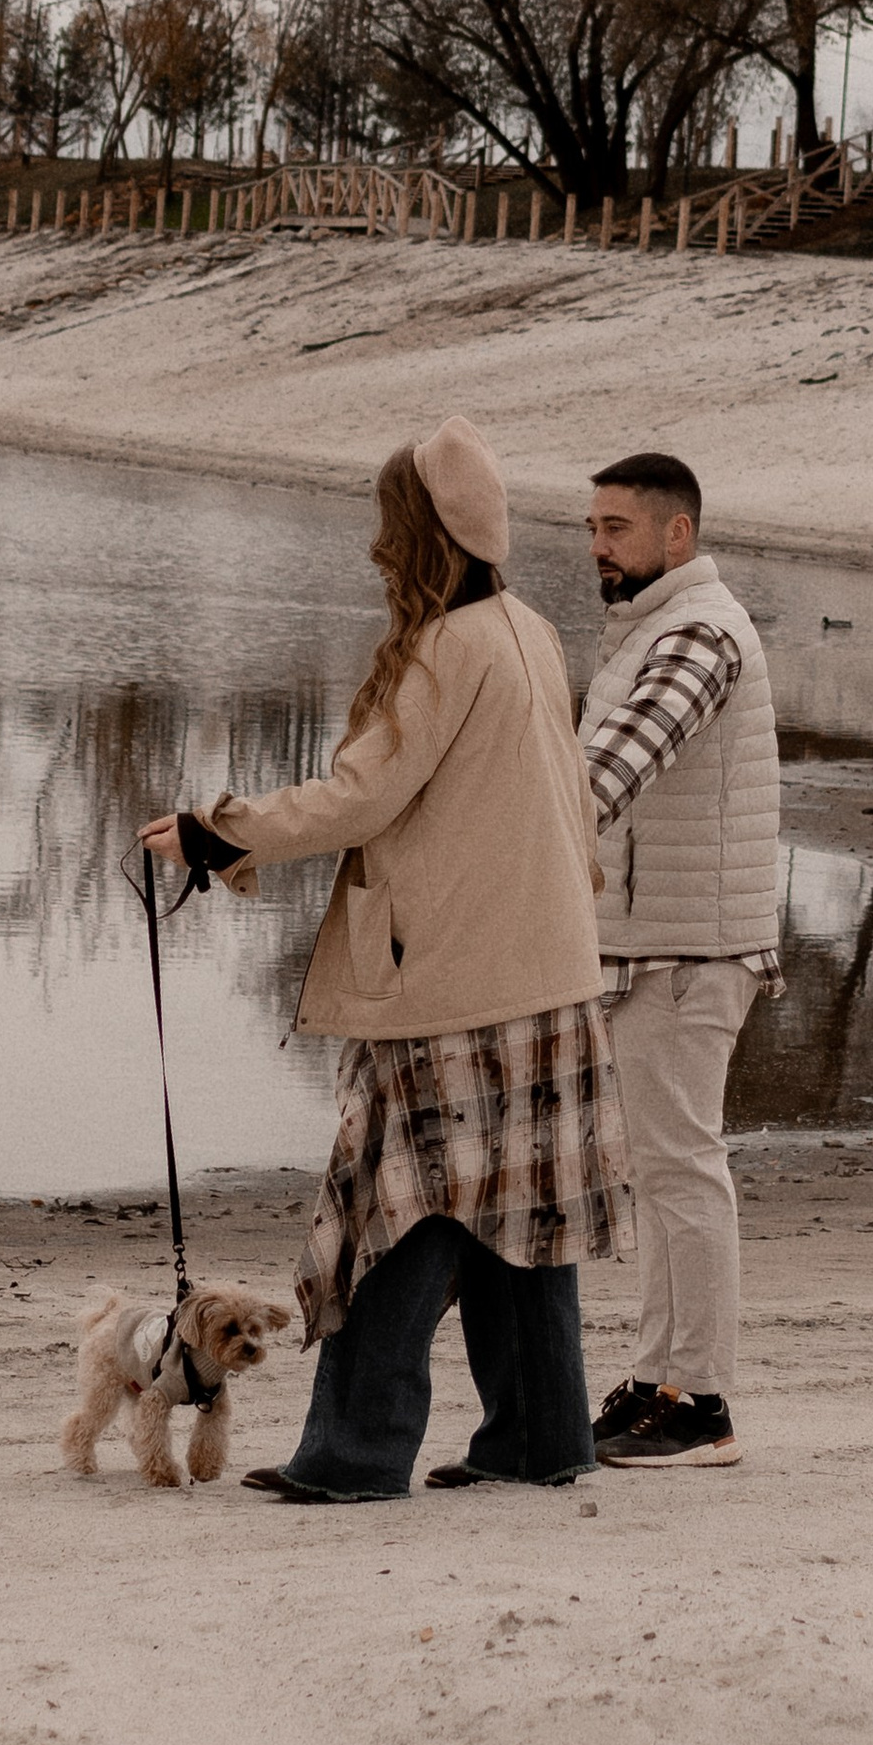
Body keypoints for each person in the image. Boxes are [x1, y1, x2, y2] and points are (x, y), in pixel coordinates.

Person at [139, 413, 629, 1504]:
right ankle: (540, 1439)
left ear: (423, 533)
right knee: (520, 1215)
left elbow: (360, 797)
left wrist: (216, 830)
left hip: (452, 983)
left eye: (389, 524)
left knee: (393, 1219)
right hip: (547, 973)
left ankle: (355, 1456)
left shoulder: (445, 651)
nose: (376, 547)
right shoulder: (529, 628)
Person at [576, 451, 781, 1471]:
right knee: (660, 1170)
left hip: (690, 950)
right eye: (592, 528)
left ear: (677, 534)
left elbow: (610, 770)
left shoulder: (698, 634)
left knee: (684, 1167)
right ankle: (659, 1378)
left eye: (616, 527)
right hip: (654, 942)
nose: (598, 547)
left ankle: (701, 1402)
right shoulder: (650, 629)